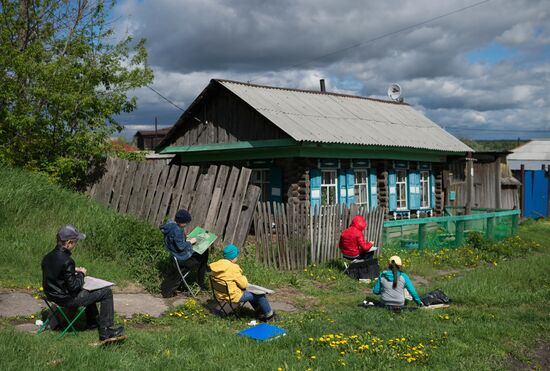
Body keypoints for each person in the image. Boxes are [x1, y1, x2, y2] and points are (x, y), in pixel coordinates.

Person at [41, 224, 124, 341]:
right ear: (69, 242)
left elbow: (55, 271)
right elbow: (74, 287)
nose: (76, 245)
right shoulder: (67, 261)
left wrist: (73, 271)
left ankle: (92, 323)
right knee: (106, 292)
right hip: (67, 300)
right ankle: (106, 331)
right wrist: (81, 274)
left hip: (52, 295)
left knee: (89, 291)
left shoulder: (48, 257)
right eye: (75, 242)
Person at [209, 244, 275, 321]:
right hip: (233, 296)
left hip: (220, 294)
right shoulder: (233, 267)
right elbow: (244, 285)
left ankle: (259, 312)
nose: (237, 258)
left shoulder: (217, 265)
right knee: (260, 294)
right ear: (233, 257)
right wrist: (243, 277)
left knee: (252, 294)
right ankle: (270, 316)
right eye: (237, 256)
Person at [159, 209, 209, 296]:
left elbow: (176, 241)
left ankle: (202, 279)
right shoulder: (177, 230)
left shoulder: (171, 225)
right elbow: (181, 246)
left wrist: (185, 239)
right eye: (186, 223)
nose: (186, 225)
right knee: (204, 253)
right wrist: (190, 242)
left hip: (175, 255)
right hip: (181, 258)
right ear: (182, 222)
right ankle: (201, 282)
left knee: (203, 253)